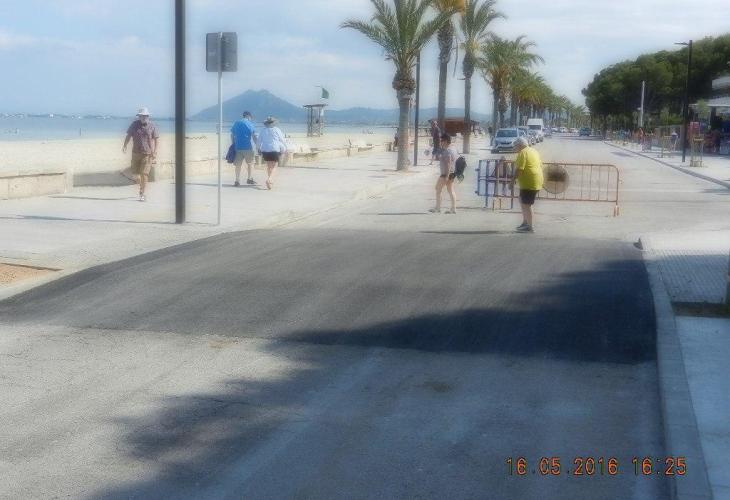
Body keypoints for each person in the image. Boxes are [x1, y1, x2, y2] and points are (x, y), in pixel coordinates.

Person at [122, 107, 159, 202]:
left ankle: (142, 193)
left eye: (145, 116)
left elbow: (156, 139)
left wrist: (155, 151)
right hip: (135, 153)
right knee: (135, 175)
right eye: (141, 116)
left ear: (148, 116)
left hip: (147, 154)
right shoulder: (134, 124)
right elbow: (128, 135)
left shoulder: (152, 126)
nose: (143, 117)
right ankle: (141, 186)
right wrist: (125, 145)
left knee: (144, 174)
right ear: (139, 116)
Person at [513, 137, 543, 233]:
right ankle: (525, 222)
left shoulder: (522, 153)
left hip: (529, 182)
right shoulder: (533, 151)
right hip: (534, 181)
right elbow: (540, 165)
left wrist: (511, 181)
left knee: (527, 204)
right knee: (522, 200)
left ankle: (530, 227)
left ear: (520, 145)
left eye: (515, 146)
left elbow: (519, 169)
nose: (514, 148)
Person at [429, 132, 457, 214]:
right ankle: (453, 208)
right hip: (452, 173)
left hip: (445, 174)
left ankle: (438, 208)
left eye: (442, 140)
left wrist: (446, 176)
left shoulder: (447, 151)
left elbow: (448, 163)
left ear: (446, 141)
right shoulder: (453, 149)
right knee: (450, 190)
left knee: (438, 189)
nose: (440, 142)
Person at [257, 116, 287, 190]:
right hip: (274, 149)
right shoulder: (276, 129)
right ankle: (269, 179)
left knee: (269, 166)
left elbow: (259, 141)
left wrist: (258, 149)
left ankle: (270, 183)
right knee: (274, 166)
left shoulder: (263, 130)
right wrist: (286, 147)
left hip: (265, 150)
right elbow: (282, 140)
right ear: (273, 123)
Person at [230, 111, 258, 186]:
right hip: (247, 147)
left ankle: (237, 180)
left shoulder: (236, 123)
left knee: (238, 165)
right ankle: (249, 179)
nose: (251, 119)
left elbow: (232, 135)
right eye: (251, 118)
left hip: (238, 147)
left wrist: (233, 144)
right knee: (250, 163)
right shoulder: (250, 124)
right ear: (249, 116)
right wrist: (257, 145)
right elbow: (254, 136)